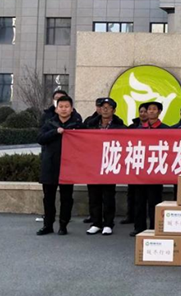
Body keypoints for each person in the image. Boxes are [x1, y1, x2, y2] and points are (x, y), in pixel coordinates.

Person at [37, 95, 82, 236]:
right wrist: (55, 132)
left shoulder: (77, 125)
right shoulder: (49, 123)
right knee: (48, 198)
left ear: (72, 109)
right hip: (50, 166)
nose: (64, 109)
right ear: (56, 109)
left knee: (66, 198)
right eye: (61, 106)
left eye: (66, 107)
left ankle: (63, 225)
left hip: (68, 166)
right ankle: (48, 225)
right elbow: (40, 138)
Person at [85, 97, 125, 236]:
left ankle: (108, 223)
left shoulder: (120, 126)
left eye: (108, 107)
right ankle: (96, 223)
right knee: (93, 195)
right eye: (103, 107)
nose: (105, 110)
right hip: (93, 164)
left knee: (108, 196)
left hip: (110, 164)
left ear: (114, 110)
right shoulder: (90, 125)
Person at [130, 101, 170, 237]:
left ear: (159, 112)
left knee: (155, 201)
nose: (151, 111)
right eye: (149, 109)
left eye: (154, 109)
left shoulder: (166, 130)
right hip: (141, 170)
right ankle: (139, 227)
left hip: (156, 171)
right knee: (139, 201)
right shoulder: (138, 129)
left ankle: (154, 227)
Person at [121, 103, 148, 225]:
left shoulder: (157, 128)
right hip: (134, 163)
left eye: (145, 111)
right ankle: (130, 215)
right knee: (132, 193)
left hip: (149, 164)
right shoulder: (132, 127)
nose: (143, 114)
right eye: (141, 111)